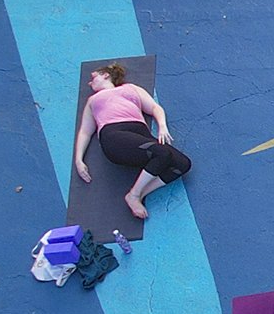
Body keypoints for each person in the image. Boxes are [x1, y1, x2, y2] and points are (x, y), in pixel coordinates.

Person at [72, 63, 190, 221]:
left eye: (93, 77)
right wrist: (79, 160)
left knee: (182, 164)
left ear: (106, 75)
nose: (89, 82)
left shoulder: (130, 88)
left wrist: (162, 126)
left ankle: (139, 193)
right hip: (114, 135)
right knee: (162, 153)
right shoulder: (93, 100)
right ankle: (134, 195)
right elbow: (85, 131)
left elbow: (155, 108)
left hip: (140, 135)